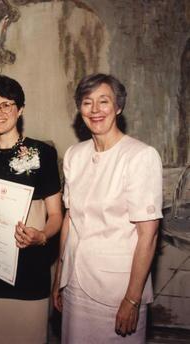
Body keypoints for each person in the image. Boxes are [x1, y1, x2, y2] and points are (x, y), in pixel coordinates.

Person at [52, 73, 162, 343]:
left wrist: (132, 300)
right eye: (87, 103)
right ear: (80, 110)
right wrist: (59, 278)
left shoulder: (140, 156)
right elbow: (70, 219)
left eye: (104, 101)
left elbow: (148, 235)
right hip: (75, 283)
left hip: (117, 290)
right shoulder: (75, 155)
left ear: (118, 107)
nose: (96, 110)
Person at [0, 75, 63, 343]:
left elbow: (56, 215)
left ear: (20, 110)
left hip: (29, 269)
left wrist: (41, 236)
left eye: (7, 105)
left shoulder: (42, 153)